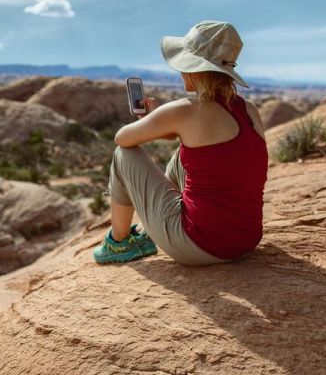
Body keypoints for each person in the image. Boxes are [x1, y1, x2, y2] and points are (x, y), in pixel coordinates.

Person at [93, 21, 268, 266]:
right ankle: (159, 222)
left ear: (194, 69)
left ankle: (119, 242)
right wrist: (156, 121)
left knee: (124, 155)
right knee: (184, 155)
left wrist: (157, 118)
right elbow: (208, 145)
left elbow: (122, 138)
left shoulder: (187, 110)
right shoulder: (248, 109)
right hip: (245, 242)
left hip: (200, 246)